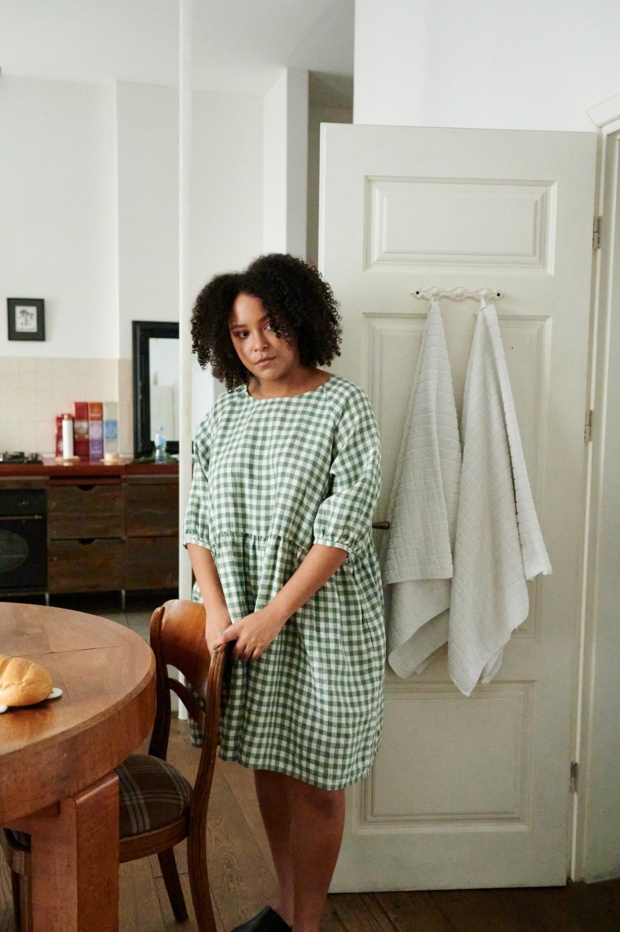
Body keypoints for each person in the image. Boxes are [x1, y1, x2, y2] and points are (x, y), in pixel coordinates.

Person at [184, 253, 385, 932]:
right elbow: (198, 523)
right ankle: (283, 905)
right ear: (224, 340)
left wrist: (276, 612)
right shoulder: (223, 419)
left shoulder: (342, 404)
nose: (258, 344)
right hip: (244, 628)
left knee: (322, 780)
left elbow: (345, 521)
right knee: (270, 766)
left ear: (301, 320)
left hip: (325, 623)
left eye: (270, 325)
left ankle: (306, 920)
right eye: (241, 333)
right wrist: (216, 610)